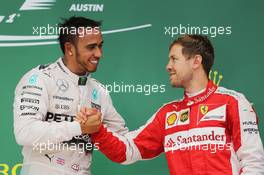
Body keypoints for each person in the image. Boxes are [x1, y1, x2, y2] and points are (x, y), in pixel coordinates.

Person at [80, 34, 264, 175]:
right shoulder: (168, 114)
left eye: (174, 59)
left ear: (196, 61)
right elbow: (127, 151)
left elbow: (253, 163)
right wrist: (97, 130)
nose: (168, 66)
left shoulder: (233, 102)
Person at [13, 16, 128, 175]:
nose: (99, 53)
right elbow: (25, 132)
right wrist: (79, 127)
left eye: (100, 46)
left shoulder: (99, 91)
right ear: (69, 49)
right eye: (91, 47)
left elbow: (124, 141)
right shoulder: (41, 79)